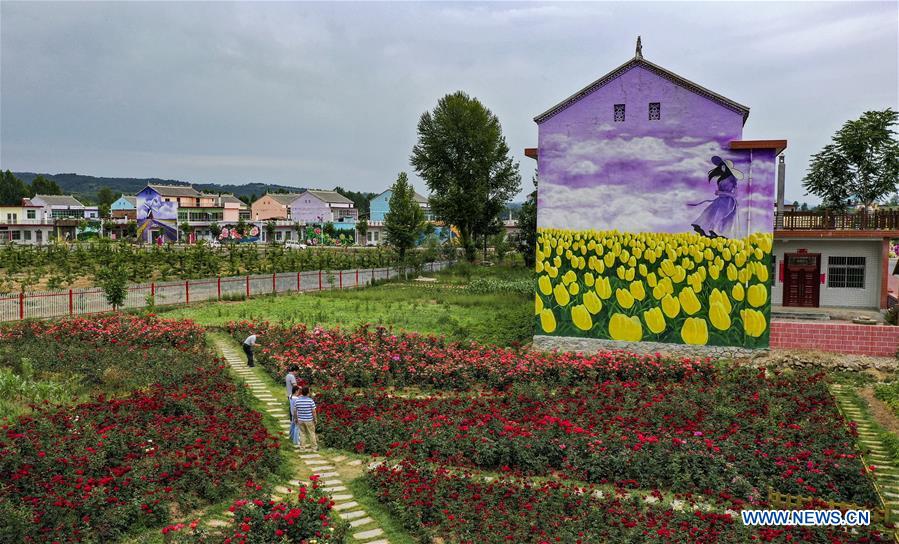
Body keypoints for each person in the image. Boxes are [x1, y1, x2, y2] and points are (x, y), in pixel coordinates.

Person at [294, 385, 318, 452]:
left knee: (302, 434)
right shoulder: (310, 401)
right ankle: (314, 448)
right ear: (308, 393)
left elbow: (295, 411)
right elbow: (313, 411)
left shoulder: (297, 401)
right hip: (309, 420)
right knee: (311, 433)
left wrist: (296, 419)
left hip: (301, 420)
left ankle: (302, 448)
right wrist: (315, 419)